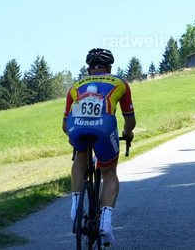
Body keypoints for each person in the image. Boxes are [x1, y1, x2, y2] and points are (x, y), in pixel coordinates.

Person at [64, 48, 135, 246]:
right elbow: (129, 119)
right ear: (109, 68)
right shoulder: (119, 82)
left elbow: (64, 124)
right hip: (104, 128)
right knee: (109, 171)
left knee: (80, 154)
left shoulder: (76, 85)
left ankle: (76, 207)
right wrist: (128, 134)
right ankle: (106, 224)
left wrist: (73, 139)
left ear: (88, 70)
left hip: (75, 127)